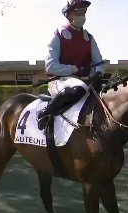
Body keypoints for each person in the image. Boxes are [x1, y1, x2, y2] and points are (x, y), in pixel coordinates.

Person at [37, 0, 104, 133]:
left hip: (83, 82)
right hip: (58, 81)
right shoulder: (58, 35)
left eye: (83, 12)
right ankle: (45, 112)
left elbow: (99, 62)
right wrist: (75, 69)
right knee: (78, 88)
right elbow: (50, 66)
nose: (82, 15)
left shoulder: (89, 38)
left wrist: (98, 74)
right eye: (77, 12)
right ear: (68, 15)